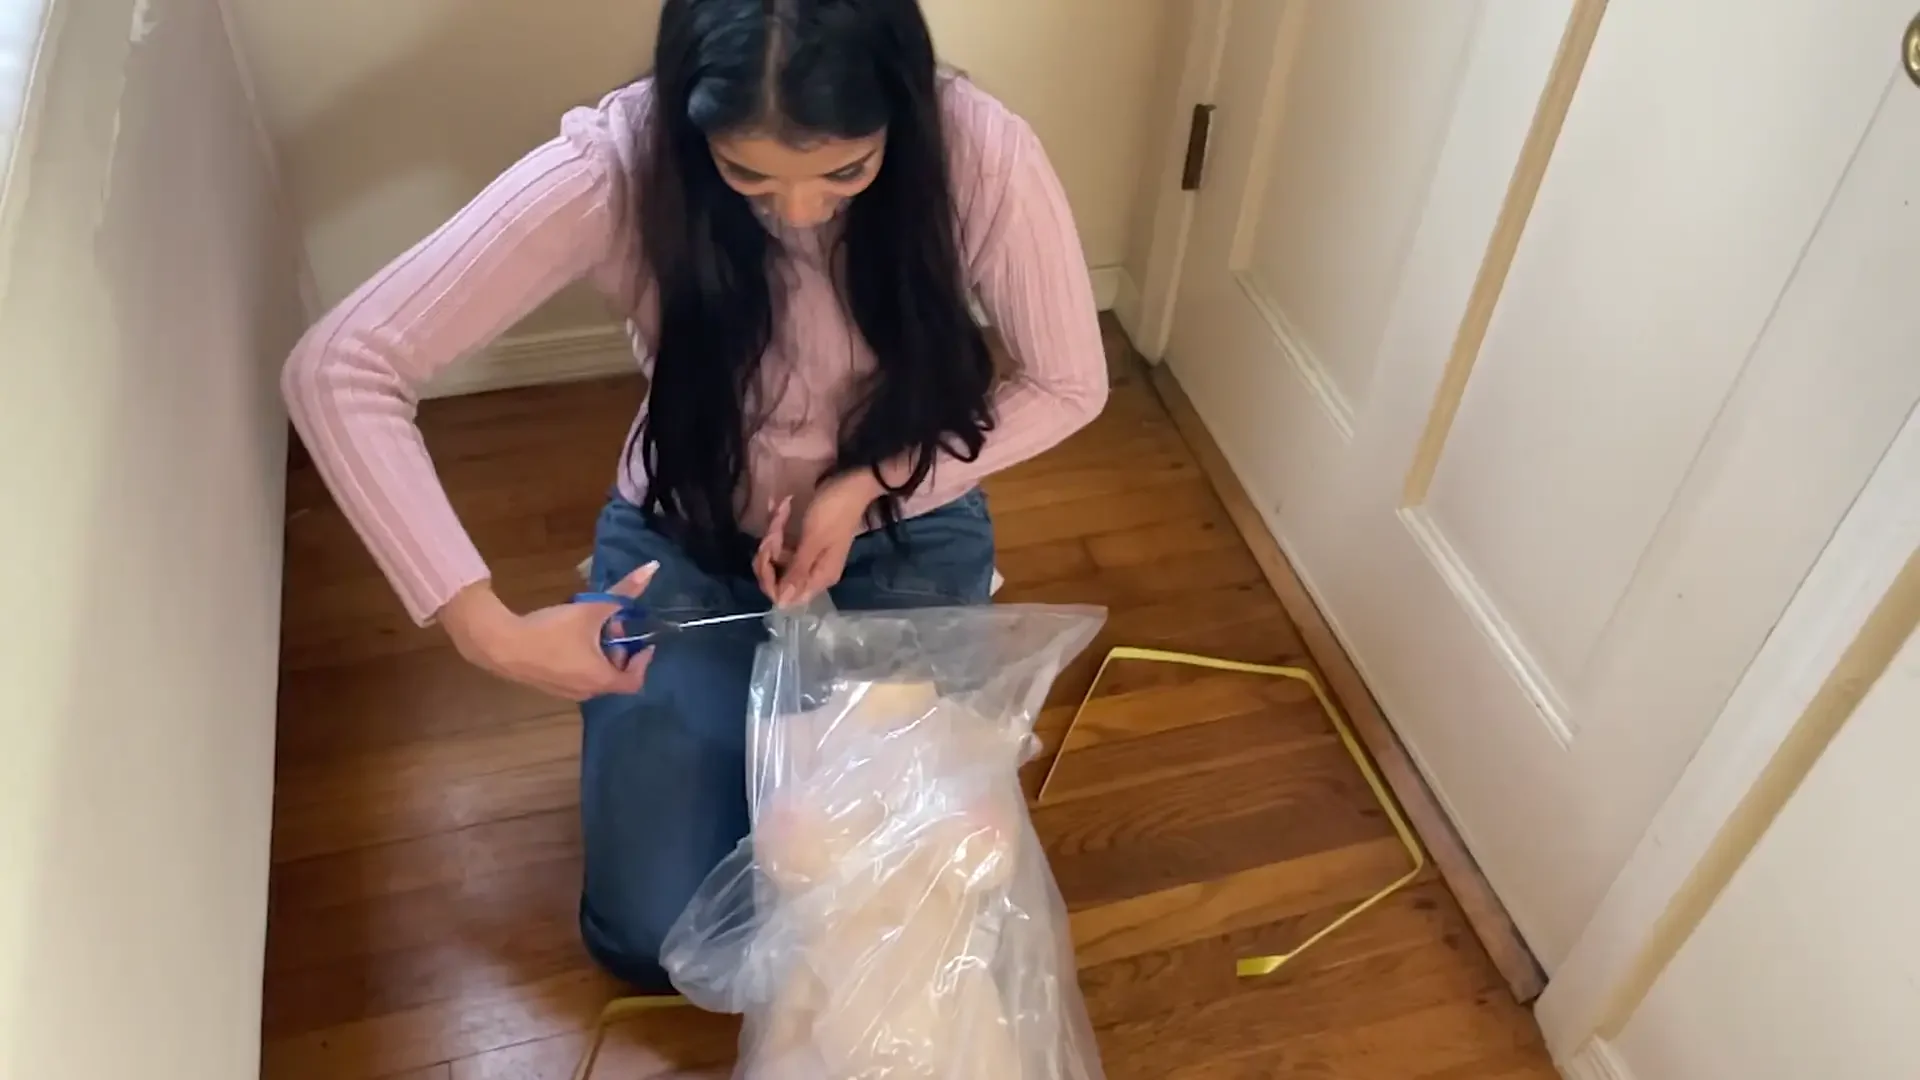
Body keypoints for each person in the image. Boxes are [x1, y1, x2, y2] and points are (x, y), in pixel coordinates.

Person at [281, 0, 1107, 992]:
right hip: (688, 524)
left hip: (904, 525)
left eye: (846, 172)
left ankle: (796, 743)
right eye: (749, 176)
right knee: (651, 934)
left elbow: (1070, 383)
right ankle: (738, 723)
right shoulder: (615, 166)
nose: (799, 213)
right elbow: (342, 366)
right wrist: (488, 631)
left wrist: (870, 485)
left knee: (903, 890)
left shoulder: (977, 150)